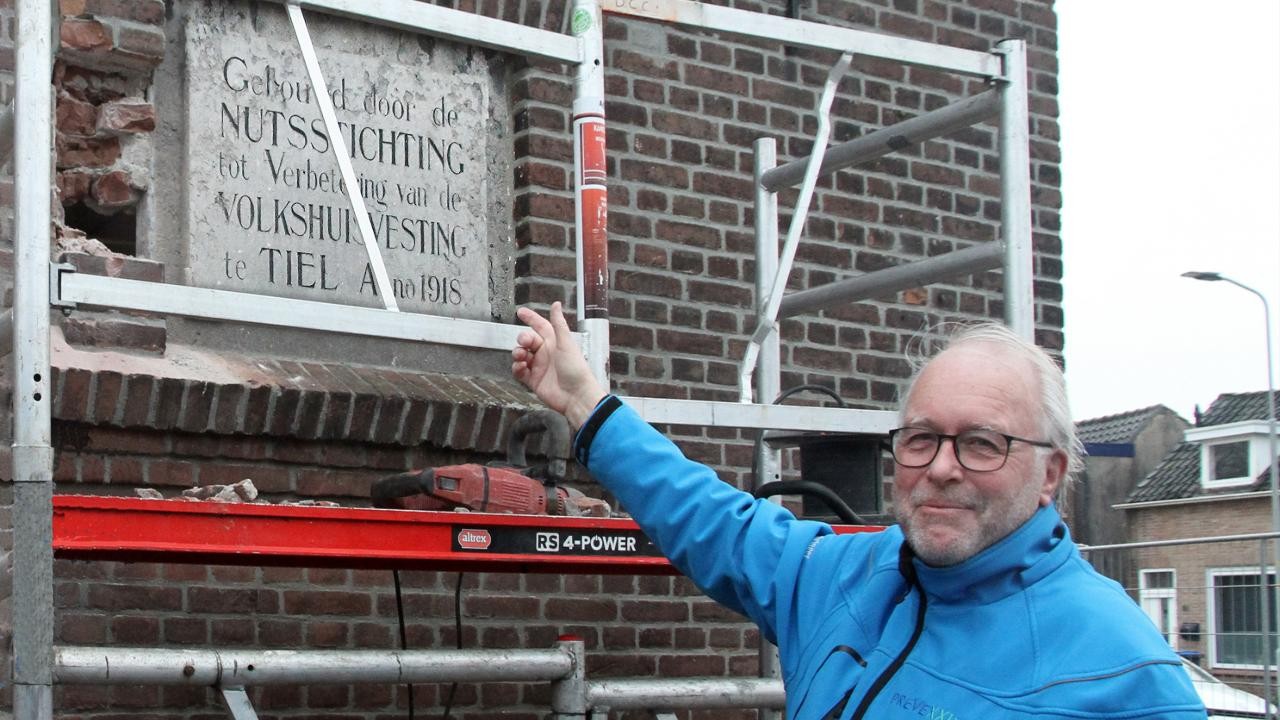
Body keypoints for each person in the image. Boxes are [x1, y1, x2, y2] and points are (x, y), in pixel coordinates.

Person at [512, 302, 1206, 720]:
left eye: (981, 444)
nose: (940, 467)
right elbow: (714, 521)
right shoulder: (839, 577)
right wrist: (585, 408)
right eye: (922, 437)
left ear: (1050, 472)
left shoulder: (1123, 673)